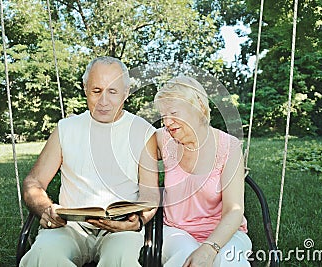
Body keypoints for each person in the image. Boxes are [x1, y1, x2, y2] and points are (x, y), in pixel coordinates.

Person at [20, 56, 159, 267]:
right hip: (69, 227)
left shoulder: (144, 132)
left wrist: (138, 221)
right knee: (43, 255)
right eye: (96, 91)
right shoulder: (66, 129)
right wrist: (46, 209)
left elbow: (150, 194)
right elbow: (33, 182)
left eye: (112, 91)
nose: (103, 100)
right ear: (85, 88)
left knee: (121, 259)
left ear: (126, 92)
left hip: (119, 228)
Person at [154, 76, 252, 267]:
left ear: (198, 106)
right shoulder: (163, 140)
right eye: (163, 115)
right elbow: (125, 141)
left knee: (229, 261)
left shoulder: (229, 147)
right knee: (184, 259)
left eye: (173, 112)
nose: (167, 121)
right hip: (177, 232)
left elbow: (234, 211)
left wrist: (209, 248)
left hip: (226, 232)